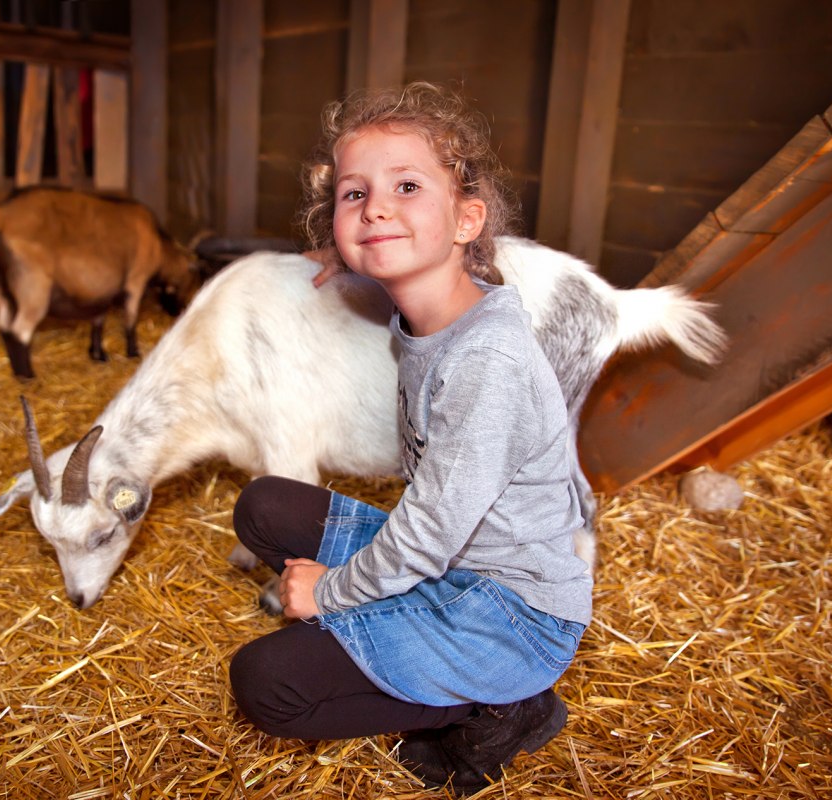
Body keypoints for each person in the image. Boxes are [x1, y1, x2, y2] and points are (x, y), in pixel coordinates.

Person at [228, 82, 593, 795]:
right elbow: (386, 254)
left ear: (466, 220)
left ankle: (500, 707)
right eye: (352, 195)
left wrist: (330, 594)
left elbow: (427, 533)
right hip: (449, 562)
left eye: (404, 186)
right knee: (263, 506)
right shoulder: (435, 315)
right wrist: (345, 258)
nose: (376, 208)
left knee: (264, 685)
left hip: (509, 613)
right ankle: (414, 644)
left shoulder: (487, 360)